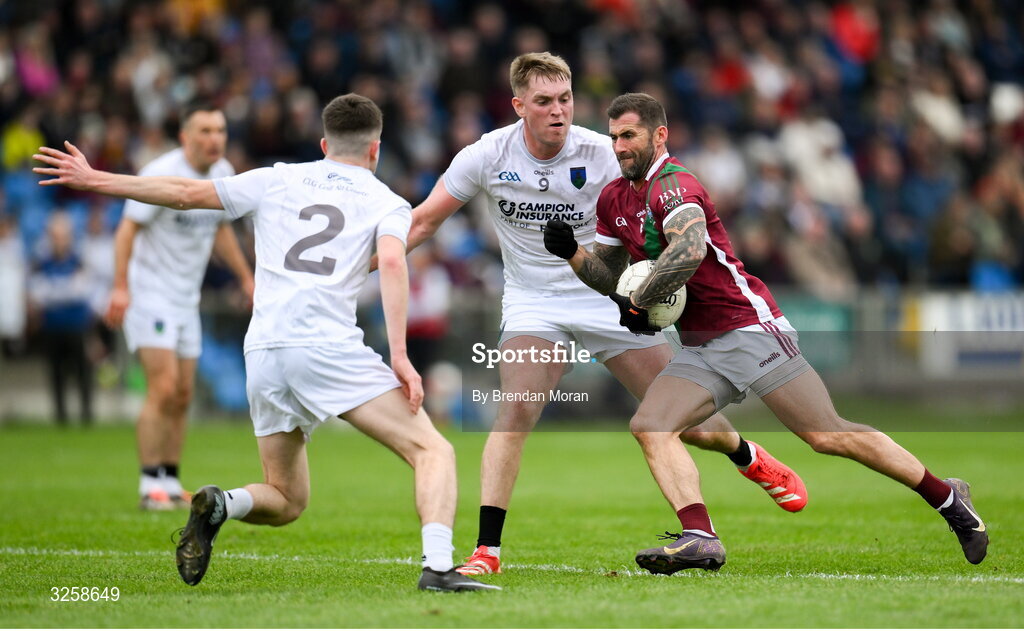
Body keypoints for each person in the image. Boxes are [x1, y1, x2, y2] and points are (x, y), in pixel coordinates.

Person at [34, 93, 498, 593]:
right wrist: (401, 358)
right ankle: (437, 566)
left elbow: (185, 194)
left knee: (287, 498)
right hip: (326, 348)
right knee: (433, 450)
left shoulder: (278, 177)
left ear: (323, 144)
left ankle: (222, 504)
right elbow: (391, 262)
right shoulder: (386, 202)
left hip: (265, 353)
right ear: (376, 150)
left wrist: (95, 179)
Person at [543, 92, 988, 573]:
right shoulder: (613, 198)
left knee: (827, 435)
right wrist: (573, 254)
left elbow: (689, 250)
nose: (620, 146)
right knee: (650, 427)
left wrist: (640, 299)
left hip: (747, 329)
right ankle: (701, 537)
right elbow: (611, 275)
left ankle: (948, 498)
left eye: (629, 135)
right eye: (614, 137)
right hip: (699, 345)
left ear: (660, 135)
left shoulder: (675, 184)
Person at [403, 52, 805, 576]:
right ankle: (487, 552)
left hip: (609, 294)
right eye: (544, 101)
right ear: (518, 105)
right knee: (515, 412)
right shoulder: (485, 155)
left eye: (565, 99)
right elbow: (424, 221)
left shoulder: (602, 152)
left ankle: (745, 454)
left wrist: (656, 279)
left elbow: (666, 195)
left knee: (690, 424)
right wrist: (359, 267)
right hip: (533, 303)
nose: (558, 111)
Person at [104, 101, 255, 511]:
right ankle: (148, 482)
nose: (215, 139)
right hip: (150, 293)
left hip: (187, 299)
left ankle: (169, 480)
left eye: (220, 131)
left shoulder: (223, 174)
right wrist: (120, 287)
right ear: (185, 137)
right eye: (205, 131)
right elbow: (126, 229)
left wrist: (245, 276)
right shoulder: (159, 174)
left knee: (184, 392)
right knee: (164, 387)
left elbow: (221, 230)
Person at [29, 212, 95, 425]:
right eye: (55, 236)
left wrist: (55, 291)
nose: (59, 240)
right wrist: (64, 290)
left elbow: (81, 290)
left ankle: (86, 415)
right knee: (56, 372)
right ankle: (61, 416)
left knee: (82, 371)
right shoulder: (42, 263)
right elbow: (38, 293)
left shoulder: (78, 260)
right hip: (53, 326)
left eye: (63, 235)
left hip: (77, 325)